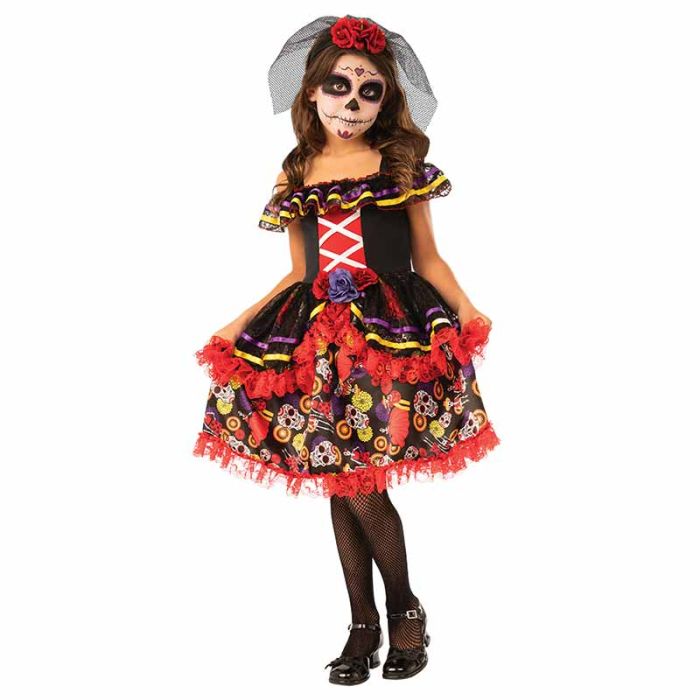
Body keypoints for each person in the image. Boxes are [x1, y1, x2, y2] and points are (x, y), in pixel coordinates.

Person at [193, 15, 500, 684]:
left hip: (385, 334)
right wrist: (238, 323)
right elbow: (298, 272)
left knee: (360, 479)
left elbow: (427, 257)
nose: (352, 102)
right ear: (311, 91)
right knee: (341, 474)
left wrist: (466, 308)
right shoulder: (297, 171)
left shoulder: (398, 165)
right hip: (314, 339)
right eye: (339, 86)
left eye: (369, 90)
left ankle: (401, 609)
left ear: (386, 100)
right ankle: (366, 623)